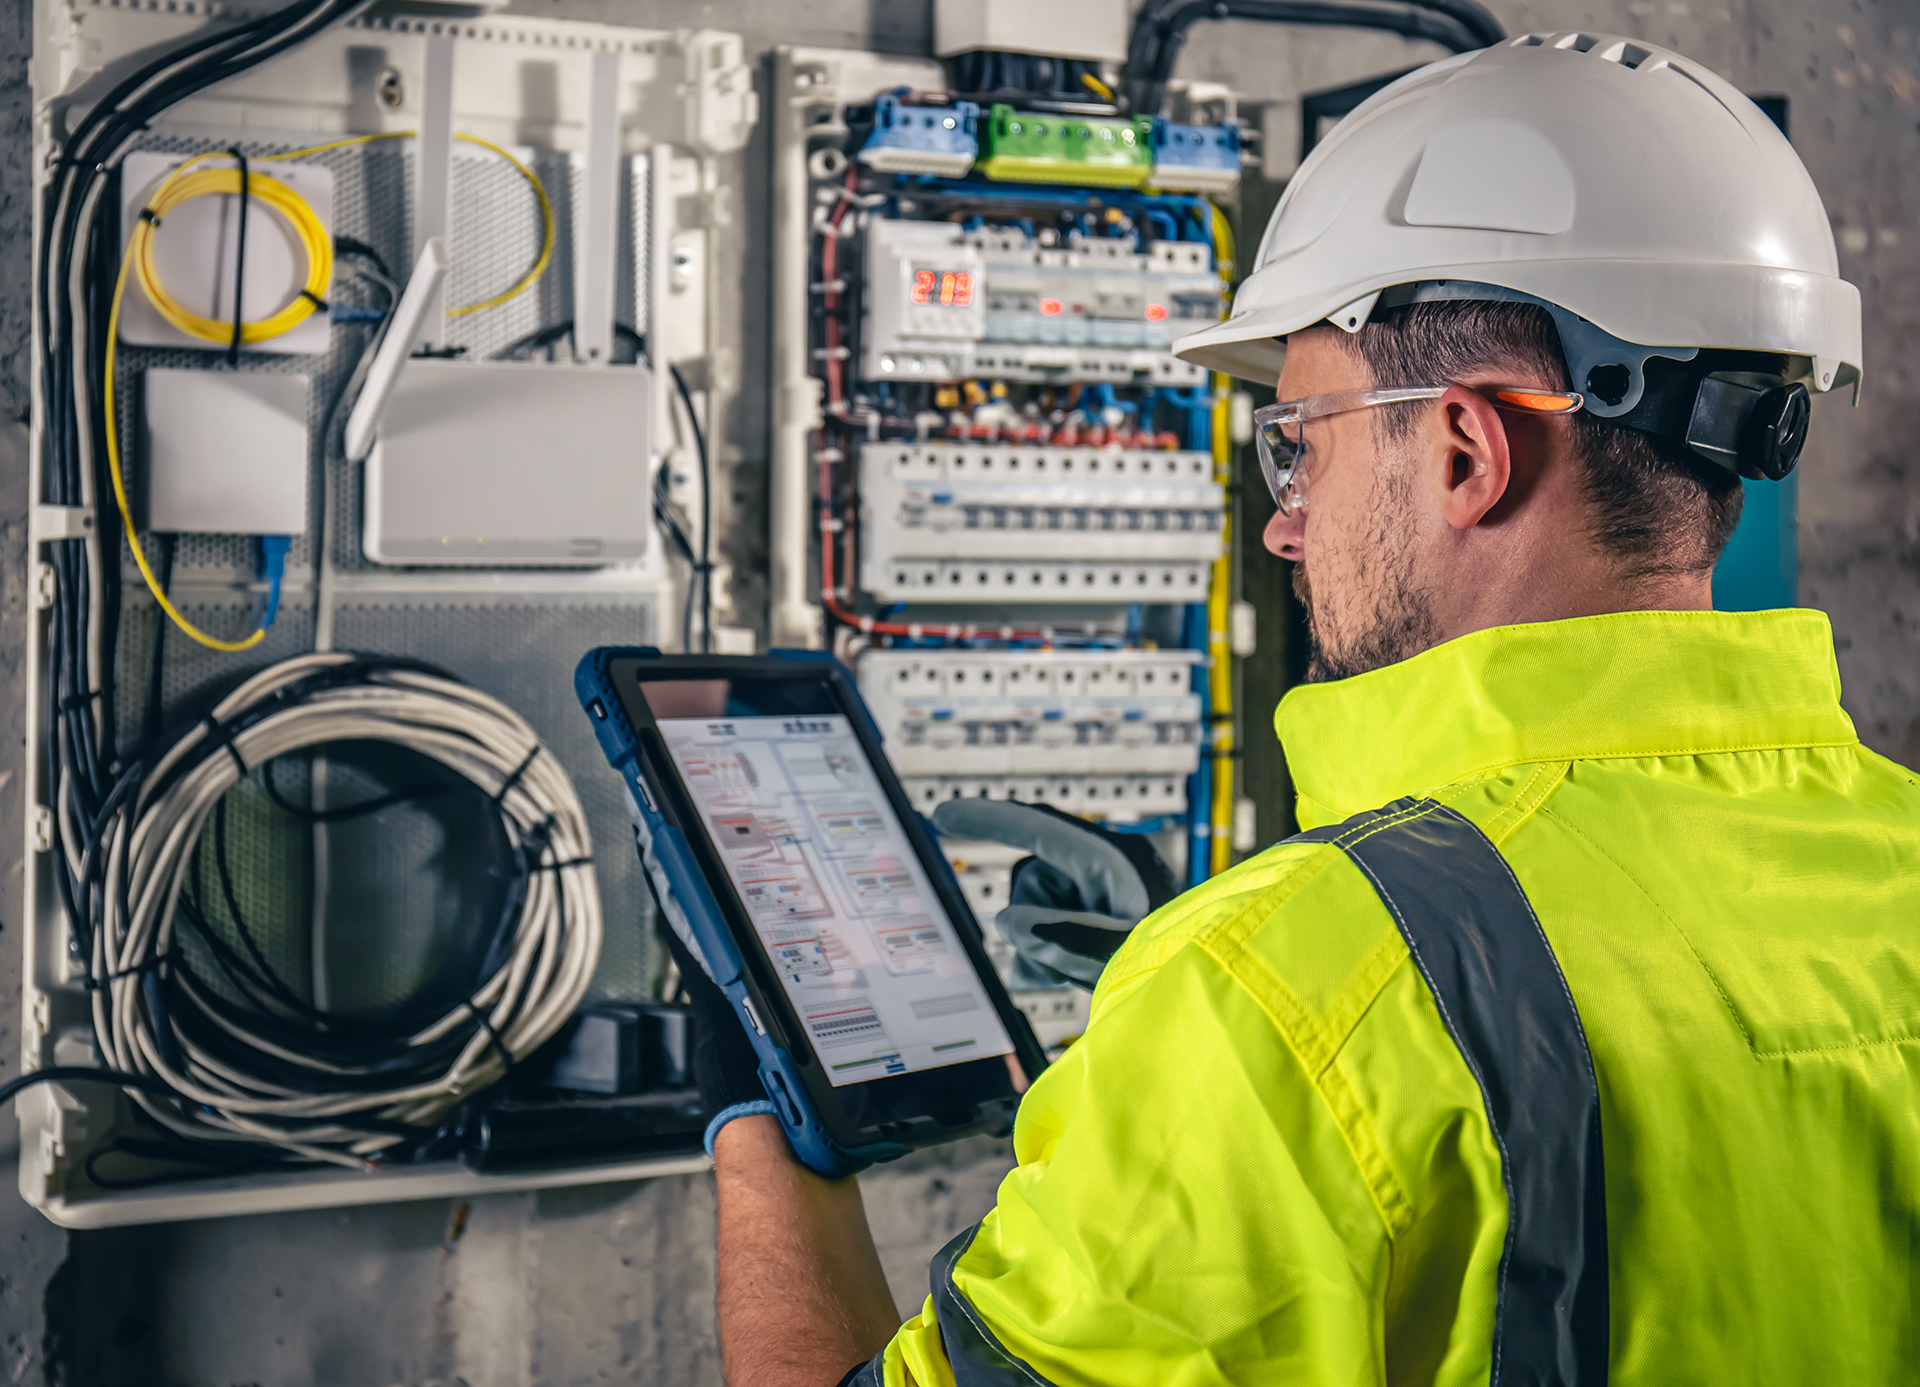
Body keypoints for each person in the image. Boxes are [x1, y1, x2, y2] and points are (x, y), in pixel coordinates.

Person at [693, 33, 1919, 1385]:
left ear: (1465, 450)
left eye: (1302, 447)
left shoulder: (1273, 997)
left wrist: (756, 1112)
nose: (1286, 528)